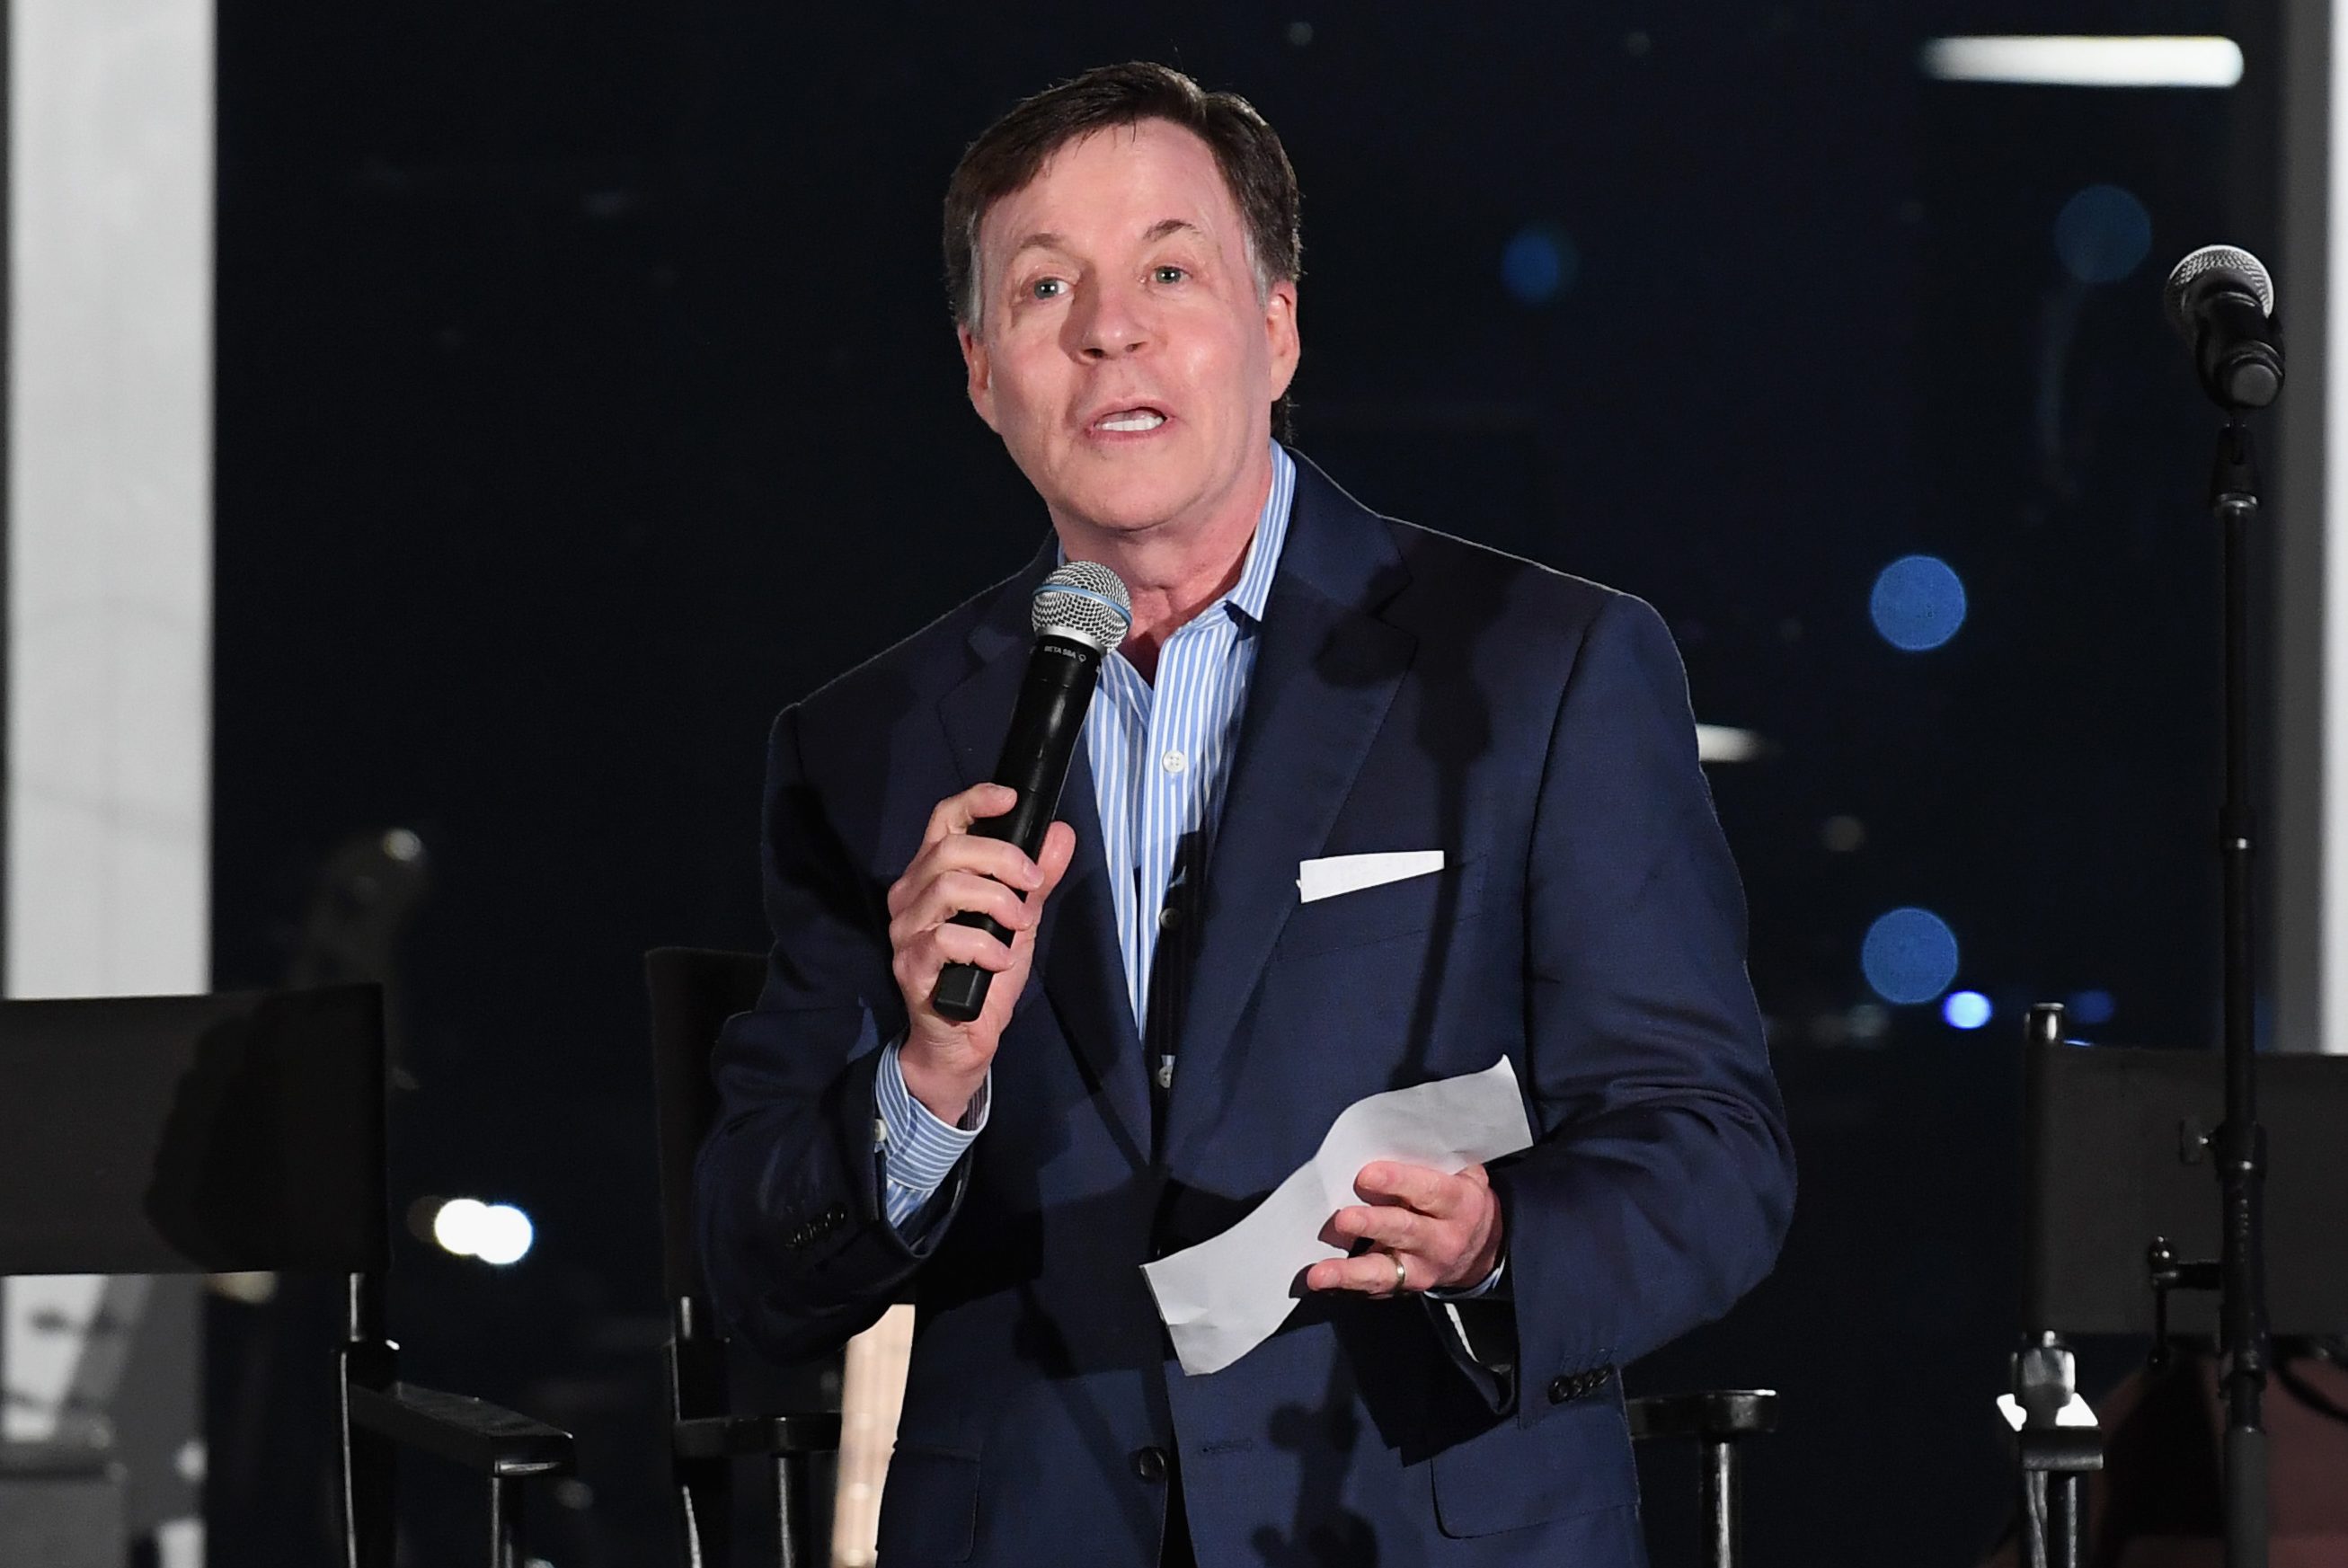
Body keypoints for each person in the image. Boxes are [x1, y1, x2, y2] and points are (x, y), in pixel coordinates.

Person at [696, 60, 1794, 1568]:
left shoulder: (1536, 667)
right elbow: (758, 1266)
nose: (1108, 329)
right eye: (1044, 288)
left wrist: (1494, 1242)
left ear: (1275, 327)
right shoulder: (867, 744)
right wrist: (925, 1083)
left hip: (1411, 1520)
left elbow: (1711, 1152)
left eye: (1168, 270)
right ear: (981, 371)